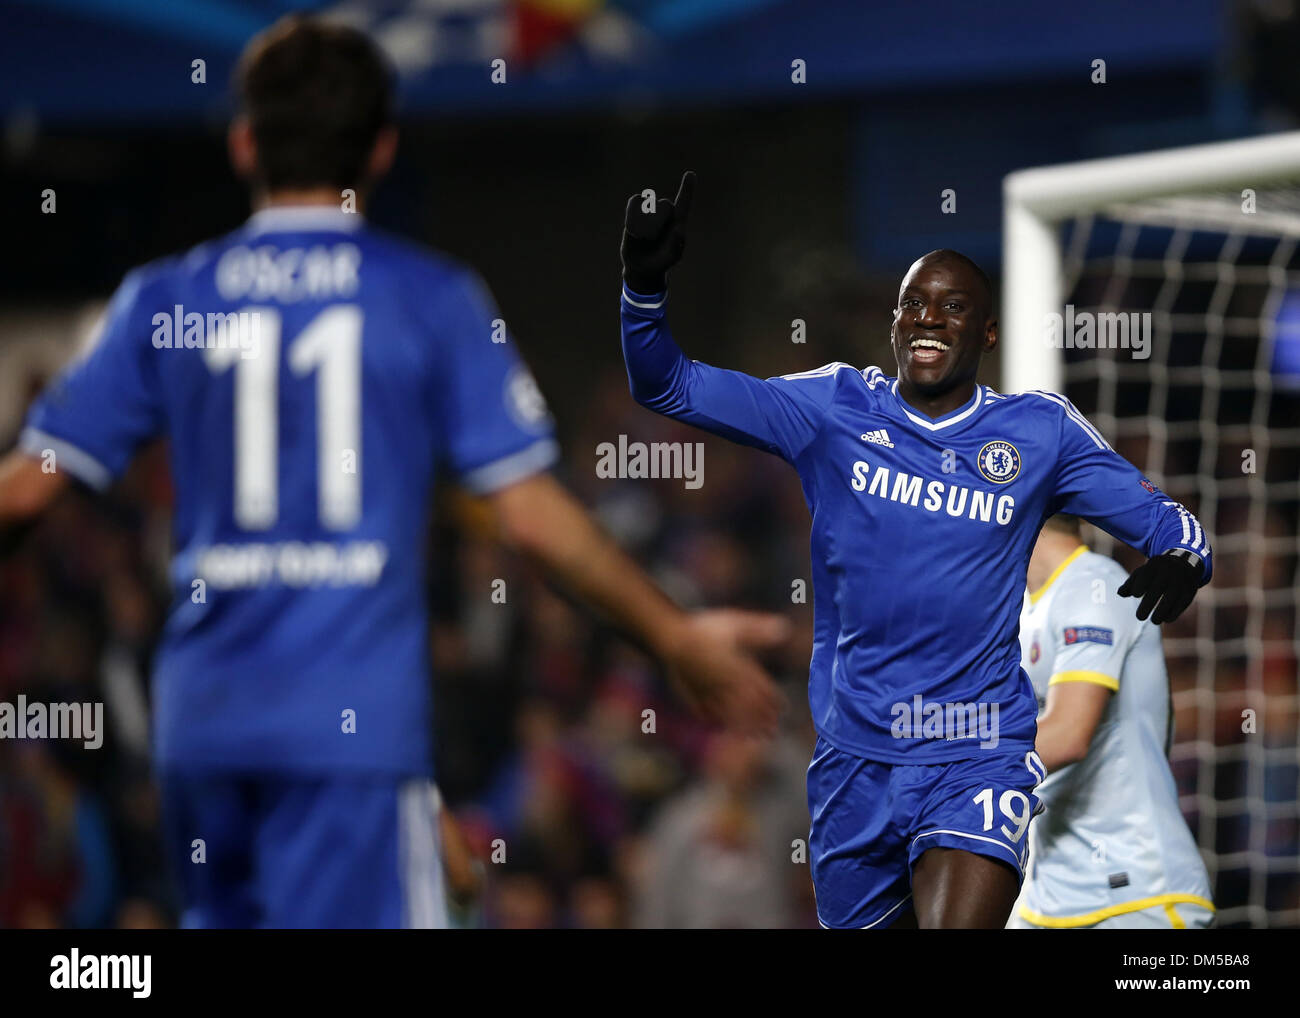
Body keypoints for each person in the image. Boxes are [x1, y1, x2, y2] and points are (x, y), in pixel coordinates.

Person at [0, 18, 784, 928]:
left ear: (244, 140)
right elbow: (528, 512)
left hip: (204, 729)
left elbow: (26, 490)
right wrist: (674, 635)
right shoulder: (429, 299)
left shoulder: (163, 298)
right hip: (345, 732)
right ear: (381, 149)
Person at [617, 171, 1213, 928]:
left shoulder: (1038, 434)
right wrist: (643, 291)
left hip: (976, 751)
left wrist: (1186, 555)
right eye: (913, 304)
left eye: (953, 306)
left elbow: (1164, 521)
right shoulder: (832, 408)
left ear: (987, 333)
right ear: (895, 323)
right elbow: (668, 386)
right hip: (853, 762)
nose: (928, 318)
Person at [1008, 514, 1214, 928]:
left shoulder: (1094, 584)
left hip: (1136, 893)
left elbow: (1067, 736)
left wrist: (950, 766)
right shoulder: (1025, 608)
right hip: (1047, 894)